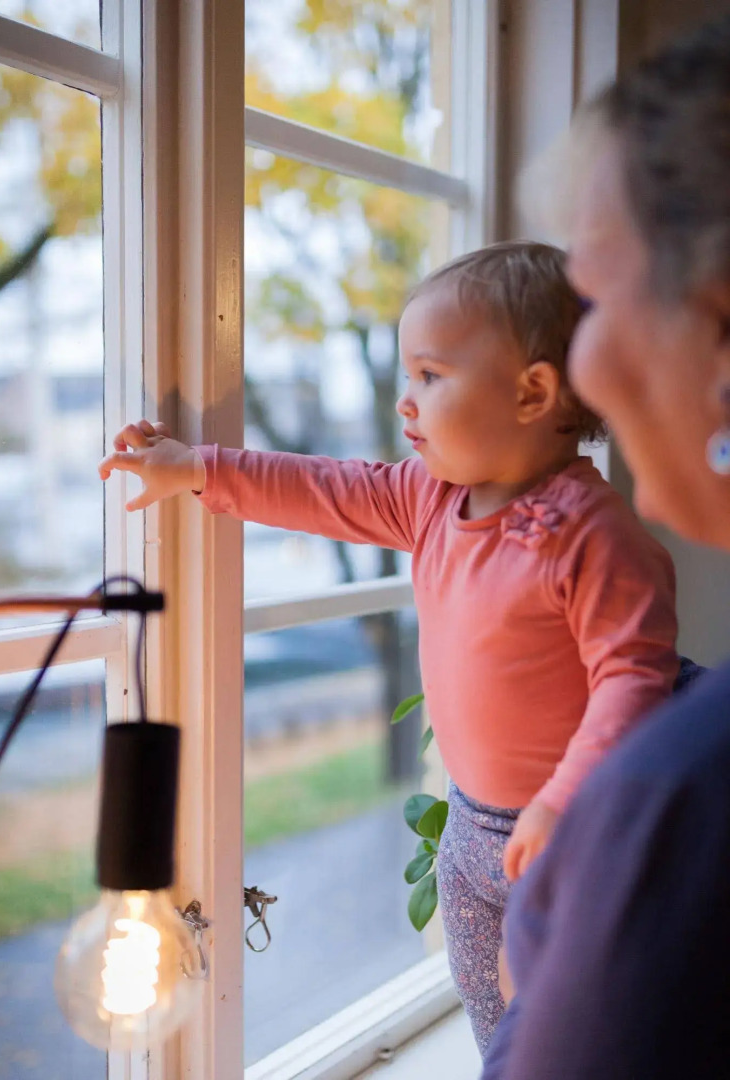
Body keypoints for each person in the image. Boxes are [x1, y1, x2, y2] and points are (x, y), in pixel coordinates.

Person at [98, 241, 679, 1053]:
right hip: (469, 835)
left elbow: (634, 680)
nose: (406, 402)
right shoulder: (430, 500)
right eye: (408, 377)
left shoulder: (592, 534)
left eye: (431, 377)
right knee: (490, 1018)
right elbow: (324, 489)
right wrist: (196, 467)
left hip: (568, 835)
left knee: (565, 1035)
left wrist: (562, 798)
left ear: (532, 392)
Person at [482, 14, 730, 1080]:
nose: (578, 359)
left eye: (588, 295)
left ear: (714, 321)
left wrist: (555, 957)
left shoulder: (682, 798)